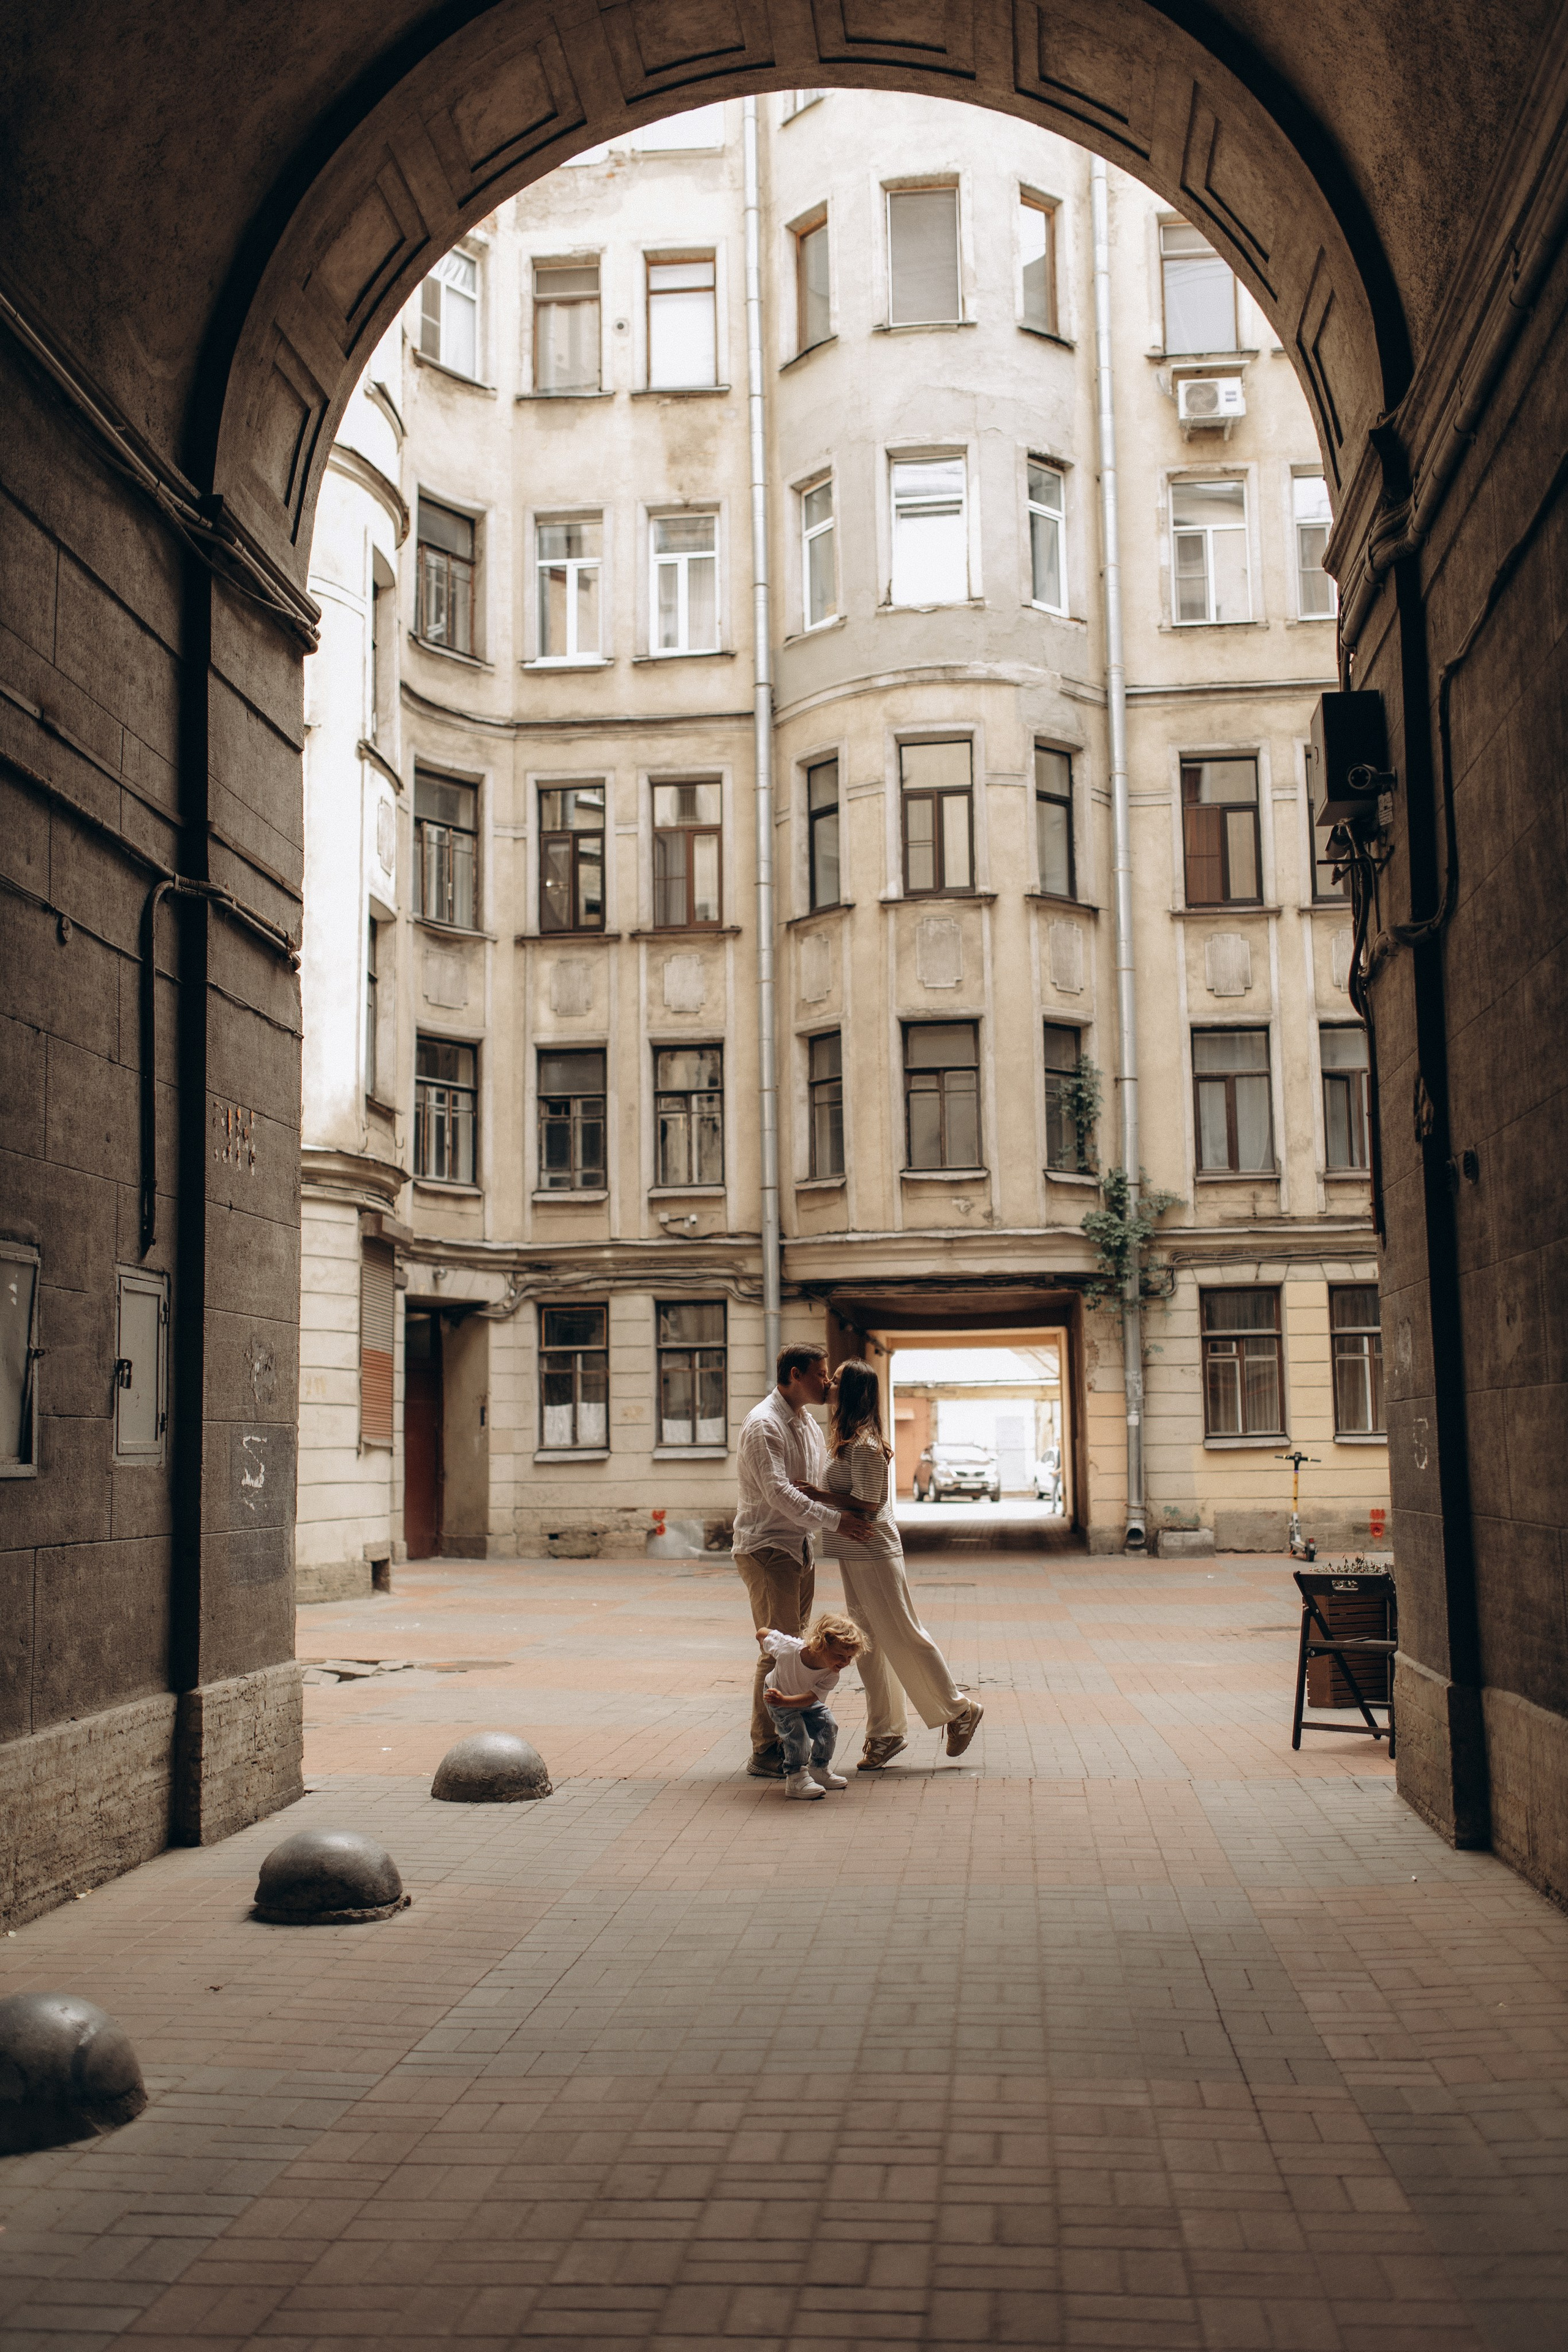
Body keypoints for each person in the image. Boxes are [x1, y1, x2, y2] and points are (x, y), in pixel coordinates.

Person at [797, 1360, 983, 1771]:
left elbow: (871, 1502)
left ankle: (960, 1710)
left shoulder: (864, 1445)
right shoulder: (848, 1440)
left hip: (875, 1551)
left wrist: (818, 1495)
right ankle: (886, 1734)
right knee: (868, 1646)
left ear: (852, 1393)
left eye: (838, 1380)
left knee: (904, 1634)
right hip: (855, 1551)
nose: (829, 1383)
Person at [733, 1343, 876, 1779]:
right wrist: (837, 1521)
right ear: (795, 1375)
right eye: (821, 1374)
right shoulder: (764, 1424)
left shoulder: (805, 1421)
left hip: (797, 1546)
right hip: (767, 1546)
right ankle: (766, 1750)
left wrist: (872, 1439)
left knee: (794, 1648)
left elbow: (816, 1478)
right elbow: (779, 1493)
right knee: (776, 1651)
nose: (828, 1382)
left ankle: (783, 1741)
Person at [756, 1611, 867, 1800]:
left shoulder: (832, 1673)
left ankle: (818, 1768)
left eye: (849, 1658)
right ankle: (796, 1777)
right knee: (796, 1732)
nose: (845, 1663)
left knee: (828, 1725)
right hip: (777, 1696)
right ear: (821, 1645)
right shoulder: (788, 1648)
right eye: (840, 1655)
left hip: (801, 1700)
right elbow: (762, 1633)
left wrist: (786, 1700)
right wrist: (766, 1646)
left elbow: (810, 1698)